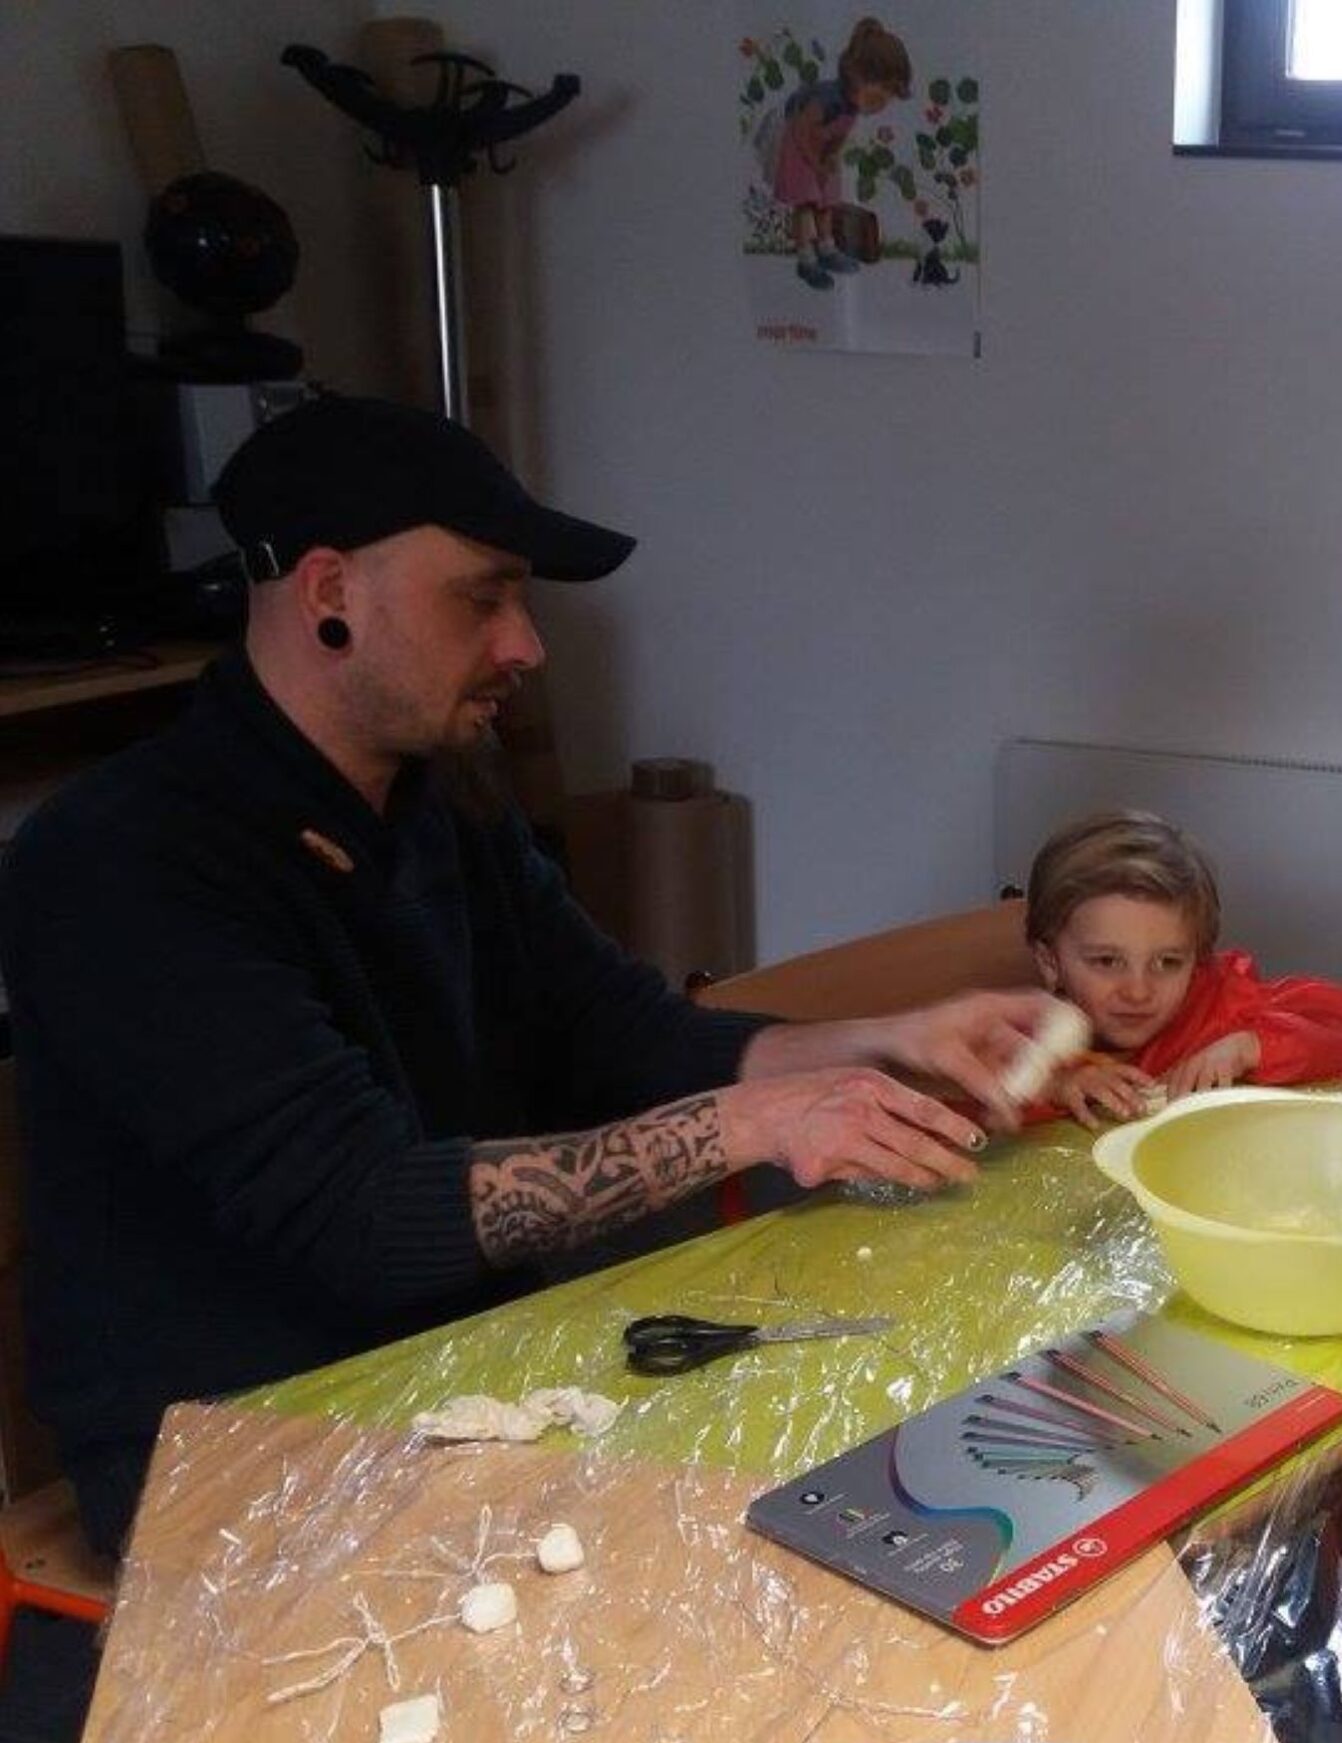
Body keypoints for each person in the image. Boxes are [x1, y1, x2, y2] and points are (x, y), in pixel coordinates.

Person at [0, 394, 1060, 1558]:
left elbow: (611, 1030)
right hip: (227, 1446)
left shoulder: (438, 796)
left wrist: (886, 1041)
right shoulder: (125, 859)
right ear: (329, 592)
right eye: (482, 597)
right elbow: (363, 1215)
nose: (525, 646)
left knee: (907, 1423)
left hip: (461, 1355)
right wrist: (757, 1120)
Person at [1016, 809, 1342, 1127]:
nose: (1138, 991)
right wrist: (1055, 1087)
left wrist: (1248, 1047)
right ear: (1051, 962)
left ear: (1196, 959)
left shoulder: (1218, 1004)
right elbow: (991, 1110)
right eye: (1107, 961)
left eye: (1167, 962)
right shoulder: (1024, 1035)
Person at [765, 17, 911, 290]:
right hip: (799, 149)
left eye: (885, 101)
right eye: (877, 98)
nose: (879, 106)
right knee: (805, 203)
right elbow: (801, 130)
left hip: (822, 150)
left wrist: (831, 156)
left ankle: (827, 248)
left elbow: (841, 134)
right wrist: (814, 162)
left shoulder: (853, 107)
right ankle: (806, 258)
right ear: (856, 76)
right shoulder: (827, 99)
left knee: (827, 202)